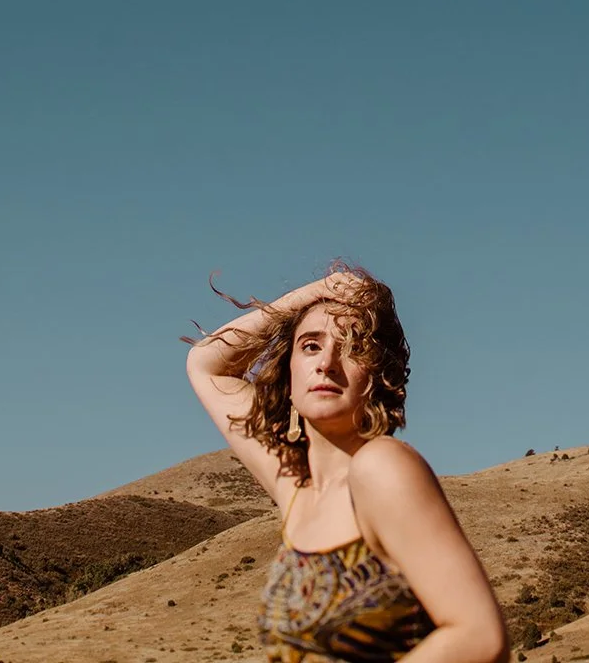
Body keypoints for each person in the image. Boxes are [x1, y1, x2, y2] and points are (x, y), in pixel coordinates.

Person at [185, 262, 509, 663]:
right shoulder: (297, 488)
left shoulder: (382, 467)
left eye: (353, 346)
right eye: (310, 345)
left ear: (377, 374)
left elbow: (479, 636)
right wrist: (317, 293)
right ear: (288, 371)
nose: (327, 363)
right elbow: (206, 363)